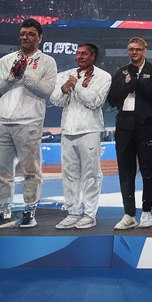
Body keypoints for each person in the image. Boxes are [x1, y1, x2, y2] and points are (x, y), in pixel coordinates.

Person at [0, 20, 57, 229]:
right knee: (0, 170)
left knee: (31, 171)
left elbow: (46, 91)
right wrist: (11, 78)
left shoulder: (47, 62)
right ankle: (3, 212)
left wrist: (24, 76)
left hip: (30, 122)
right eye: (23, 33)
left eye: (31, 34)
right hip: (2, 121)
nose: (26, 37)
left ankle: (29, 211)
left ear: (39, 38)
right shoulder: (6, 60)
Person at [50, 43, 111, 230]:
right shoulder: (65, 75)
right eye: (78, 54)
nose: (80, 57)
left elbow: (95, 102)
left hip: (90, 129)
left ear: (93, 56)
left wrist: (75, 86)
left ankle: (89, 213)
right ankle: (73, 211)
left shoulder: (103, 76)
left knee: (91, 174)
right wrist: (64, 88)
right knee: (69, 174)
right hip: (68, 129)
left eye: (85, 54)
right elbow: (55, 100)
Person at [108, 36, 152, 229]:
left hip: (146, 126)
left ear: (145, 50)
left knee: (147, 171)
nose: (134, 52)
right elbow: (112, 100)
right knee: (126, 171)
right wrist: (126, 85)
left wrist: (137, 84)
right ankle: (129, 214)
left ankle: (147, 211)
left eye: (138, 49)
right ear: (127, 51)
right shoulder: (120, 72)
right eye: (131, 49)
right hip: (124, 126)